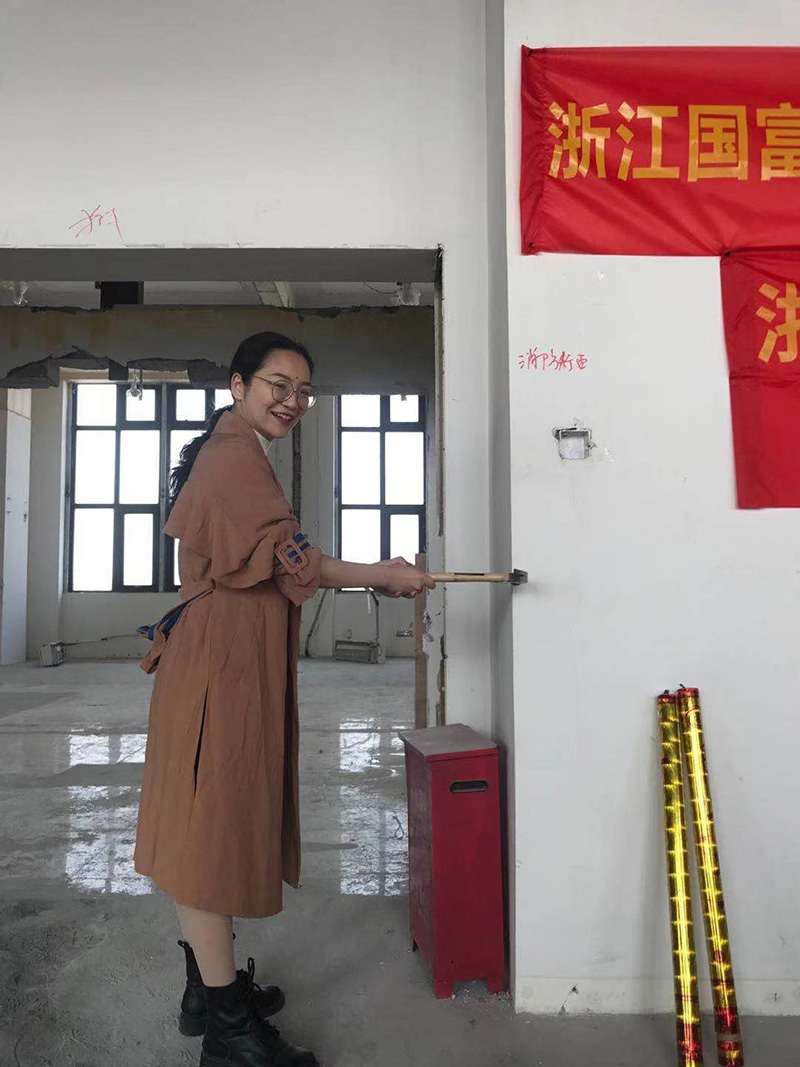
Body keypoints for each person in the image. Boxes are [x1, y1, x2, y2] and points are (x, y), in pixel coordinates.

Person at [133, 331, 434, 1067]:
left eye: (304, 392)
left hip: (223, 658)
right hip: (220, 666)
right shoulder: (234, 454)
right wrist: (382, 574)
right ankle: (228, 1031)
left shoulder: (237, 447)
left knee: (206, 826)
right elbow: (290, 558)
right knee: (210, 834)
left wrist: (376, 571)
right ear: (238, 385)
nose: (293, 401)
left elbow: (274, 557)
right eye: (278, 385)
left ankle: (206, 990)